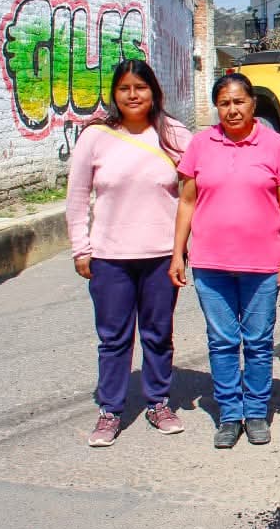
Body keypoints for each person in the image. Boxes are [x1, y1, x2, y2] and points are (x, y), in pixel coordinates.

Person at [169, 73, 280, 449]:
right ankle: (229, 414)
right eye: (224, 103)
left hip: (262, 265)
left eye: (239, 101)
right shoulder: (200, 145)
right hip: (211, 265)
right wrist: (178, 252)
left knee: (258, 342)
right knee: (223, 341)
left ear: (252, 103)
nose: (232, 109)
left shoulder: (274, 145)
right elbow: (187, 201)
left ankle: (256, 412)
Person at [67, 60, 192, 448]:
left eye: (141, 87)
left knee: (158, 334)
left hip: (161, 256)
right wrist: (80, 248)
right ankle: (111, 410)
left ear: (154, 91)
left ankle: (158, 401)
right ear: (114, 94)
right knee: (114, 338)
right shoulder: (96, 137)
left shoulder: (175, 135)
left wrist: (186, 249)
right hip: (110, 257)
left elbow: (194, 194)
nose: (133, 95)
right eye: (124, 88)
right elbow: (76, 197)